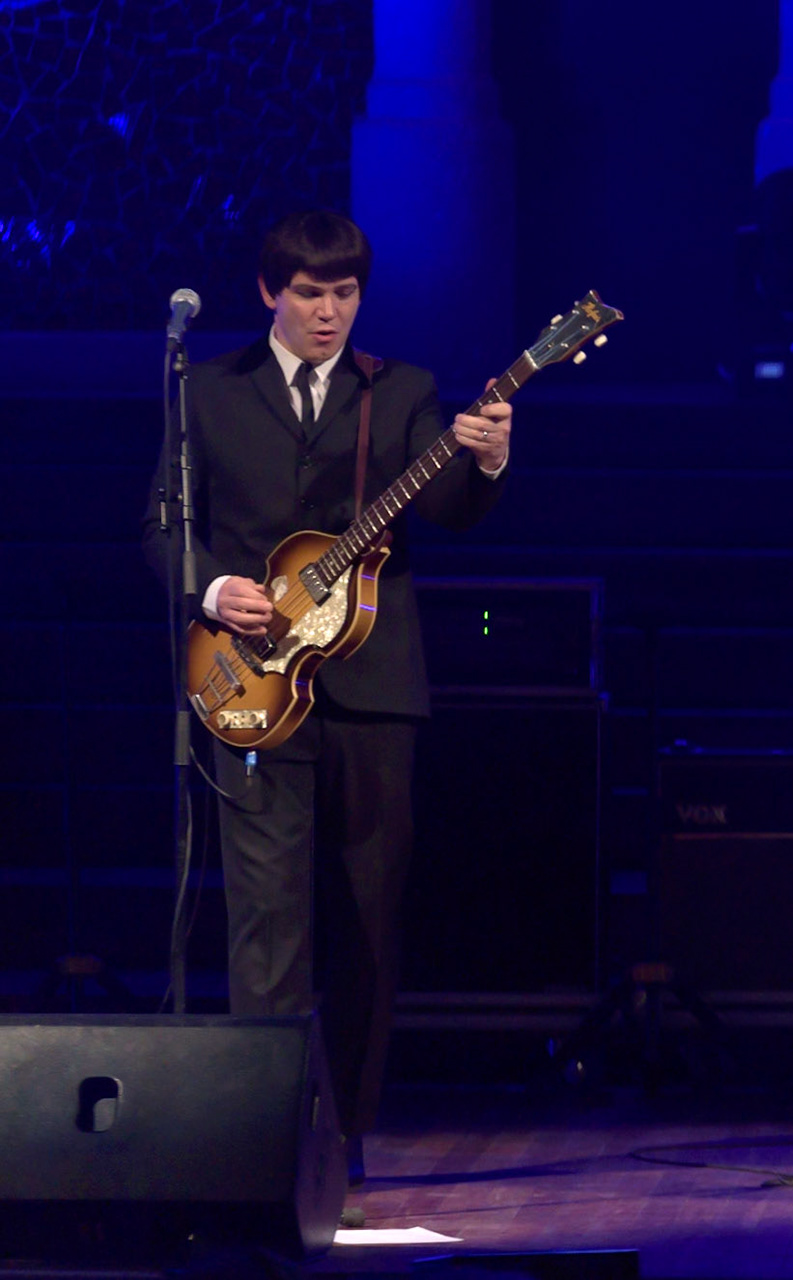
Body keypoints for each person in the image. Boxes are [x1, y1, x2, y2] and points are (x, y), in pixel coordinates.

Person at [140, 210, 511, 1184]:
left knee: (366, 918)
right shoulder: (207, 392)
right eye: (310, 293)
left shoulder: (403, 391)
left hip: (371, 687)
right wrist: (216, 590)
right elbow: (163, 524)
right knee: (267, 918)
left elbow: (449, 509)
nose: (329, 312)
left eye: (345, 294)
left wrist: (486, 458)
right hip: (248, 683)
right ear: (271, 292)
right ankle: (257, 1141)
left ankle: (342, 1137)